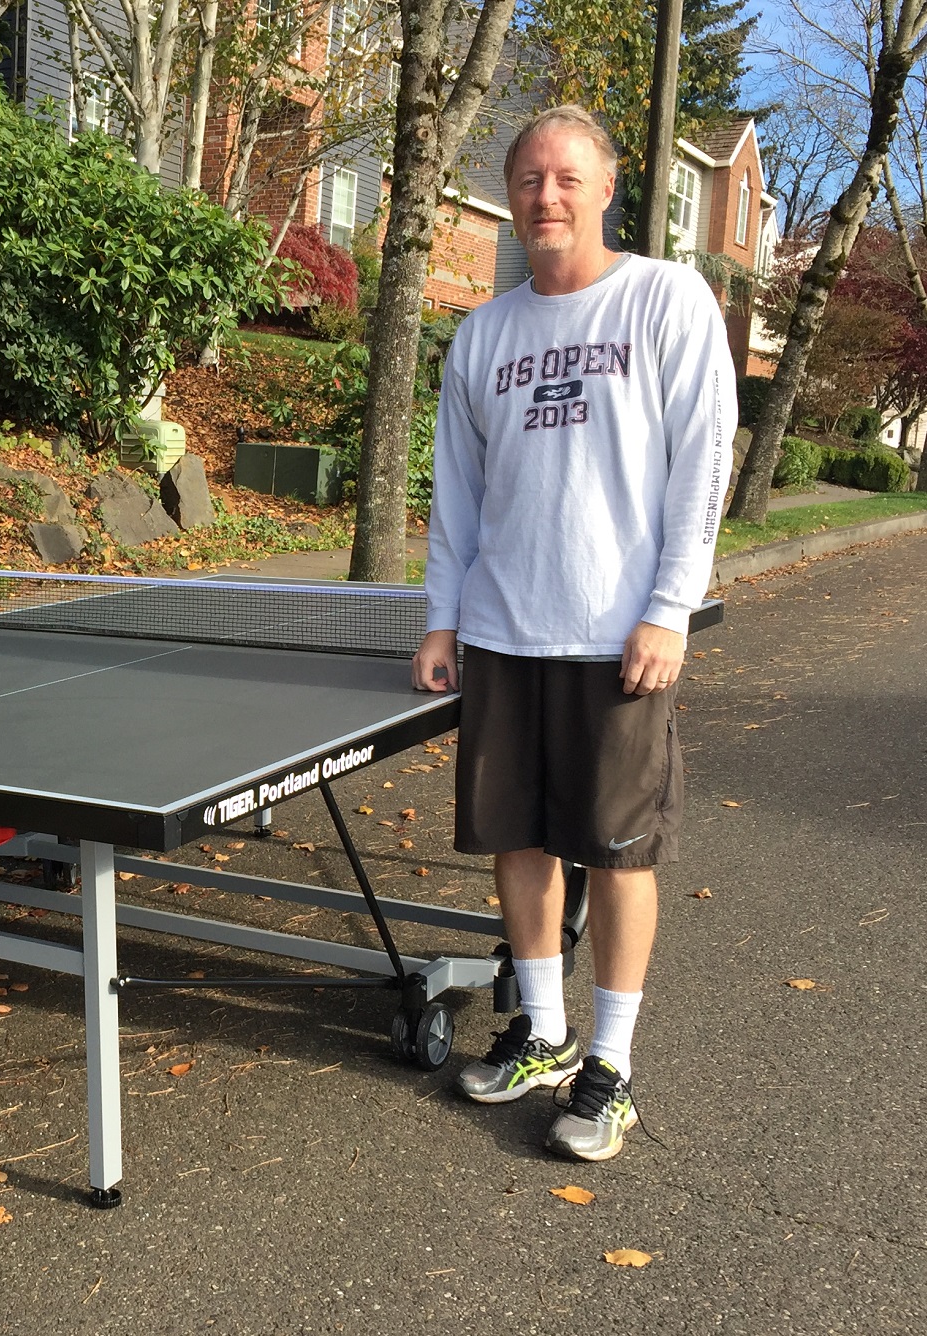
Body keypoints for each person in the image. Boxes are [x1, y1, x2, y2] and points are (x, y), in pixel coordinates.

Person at [411, 105, 733, 1161]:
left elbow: (703, 455)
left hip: (617, 638)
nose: (544, 195)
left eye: (565, 178)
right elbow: (455, 493)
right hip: (504, 630)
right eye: (526, 179)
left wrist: (670, 604)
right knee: (517, 839)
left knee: (620, 850)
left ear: (604, 190)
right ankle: (544, 1035)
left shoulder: (664, 298)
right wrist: (441, 617)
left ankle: (611, 1063)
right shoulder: (484, 333)